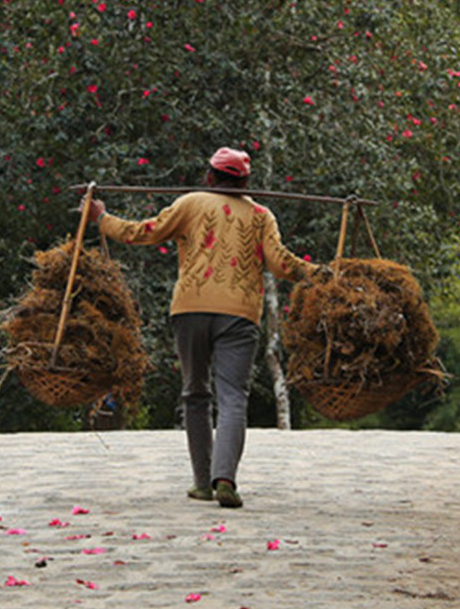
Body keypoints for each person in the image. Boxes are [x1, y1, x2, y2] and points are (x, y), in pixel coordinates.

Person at [90, 147, 316, 508]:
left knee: (195, 393)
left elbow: (143, 232)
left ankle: (202, 483)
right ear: (245, 182)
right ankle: (224, 478)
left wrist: (102, 218)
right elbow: (282, 264)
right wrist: (318, 273)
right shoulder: (261, 215)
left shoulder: (191, 203)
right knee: (233, 397)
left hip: (190, 310)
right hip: (240, 315)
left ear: (210, 177)